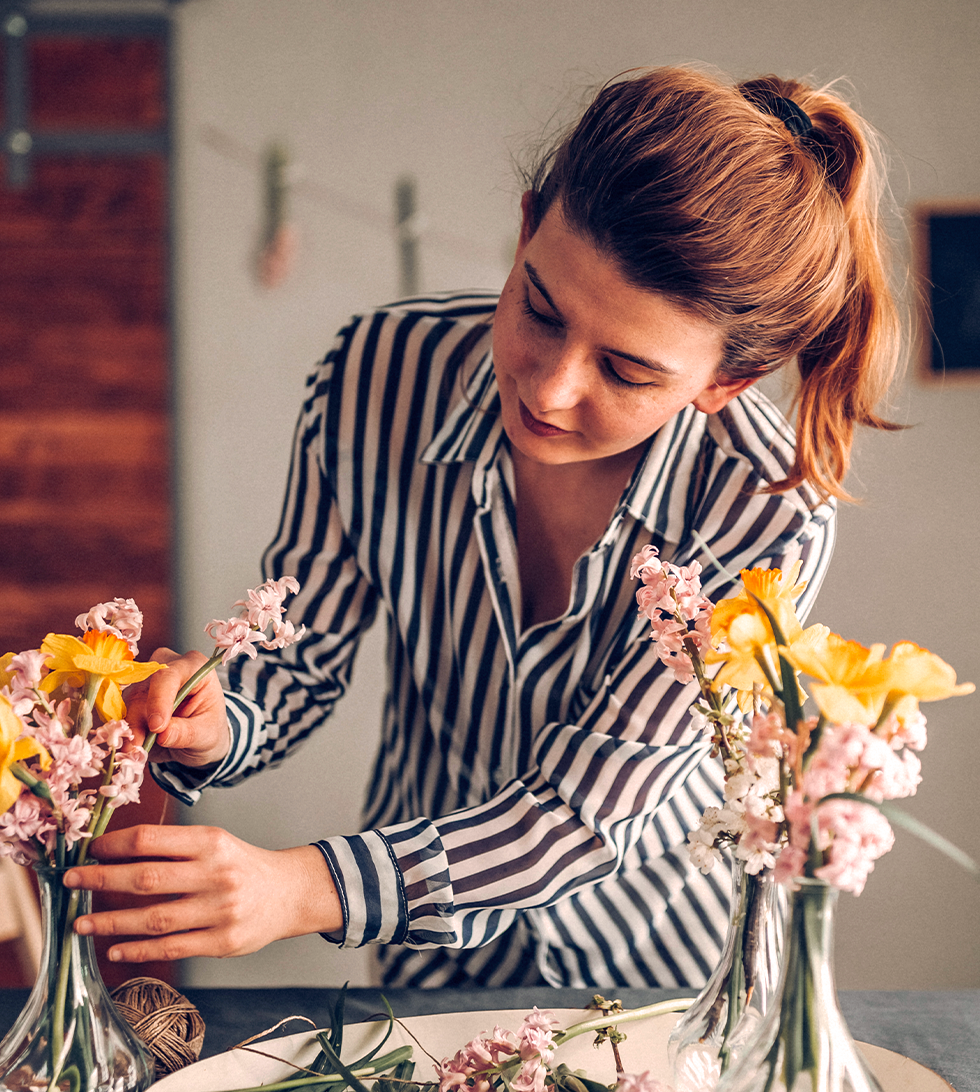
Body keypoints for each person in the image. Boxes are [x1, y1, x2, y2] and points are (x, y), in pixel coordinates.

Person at [63, 64, 902, 988]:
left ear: (722, 383)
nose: (548, 386)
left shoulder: (768, 509)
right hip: (426, 960)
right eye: (539, 309)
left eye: (626, 373)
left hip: (660, 965)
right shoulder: (378, 377)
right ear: (525, 227)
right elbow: (294, 661)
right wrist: (219, 717)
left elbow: (583, 814)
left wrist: (301, 890)